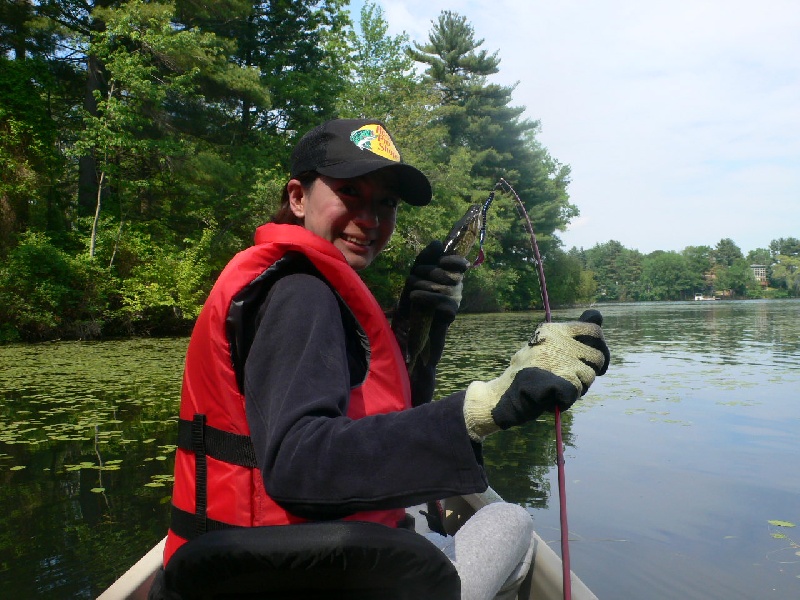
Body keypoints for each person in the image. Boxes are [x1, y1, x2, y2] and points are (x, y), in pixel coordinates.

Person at [155, 119, 610, 599]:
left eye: (386, 203)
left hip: (242, 572)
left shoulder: (287, 282)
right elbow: (298, 464)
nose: (370, 219)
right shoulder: (300, 295)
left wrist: (419, 327)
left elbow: (374, 414)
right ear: (297, 197)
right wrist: (484, 408)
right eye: (350, 193)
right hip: (301, 580)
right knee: (509, 520)